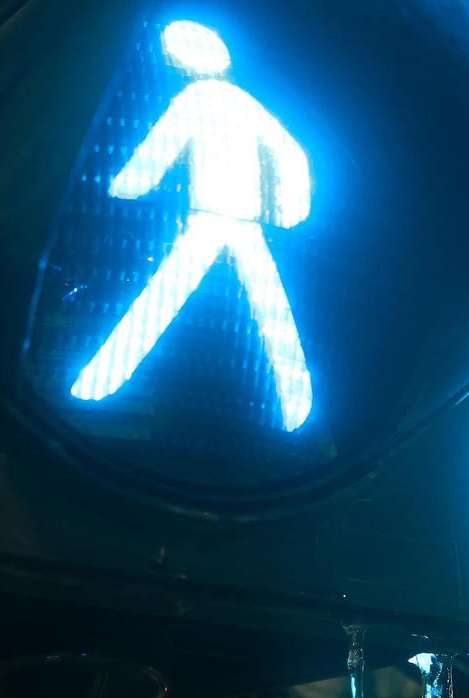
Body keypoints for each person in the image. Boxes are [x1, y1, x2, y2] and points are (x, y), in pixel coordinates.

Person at [70, 20, 314, 432]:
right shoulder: (248, 105)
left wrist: (126, 185)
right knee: (271, 311)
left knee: (161, 299)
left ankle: (95, 385)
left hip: (210, 216)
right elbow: (291, 155)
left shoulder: (197, 98)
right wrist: (289, 211)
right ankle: (297, 408)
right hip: (246, 222)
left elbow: (162, 145)